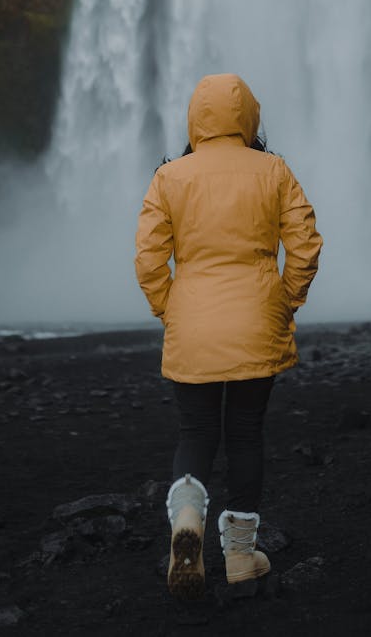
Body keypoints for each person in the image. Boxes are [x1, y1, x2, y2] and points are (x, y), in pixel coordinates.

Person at [134, 72, 322, 599]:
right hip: (256, 321)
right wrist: (285, 300)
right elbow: (305, 244)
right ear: (249, 118)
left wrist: (169, 308)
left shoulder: (170, 177)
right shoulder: (274, 170)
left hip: (192, 321)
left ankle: (188, 519)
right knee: (245, 433)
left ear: (196, 118)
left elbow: (149, 258)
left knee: (195, 432)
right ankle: (240, 558)